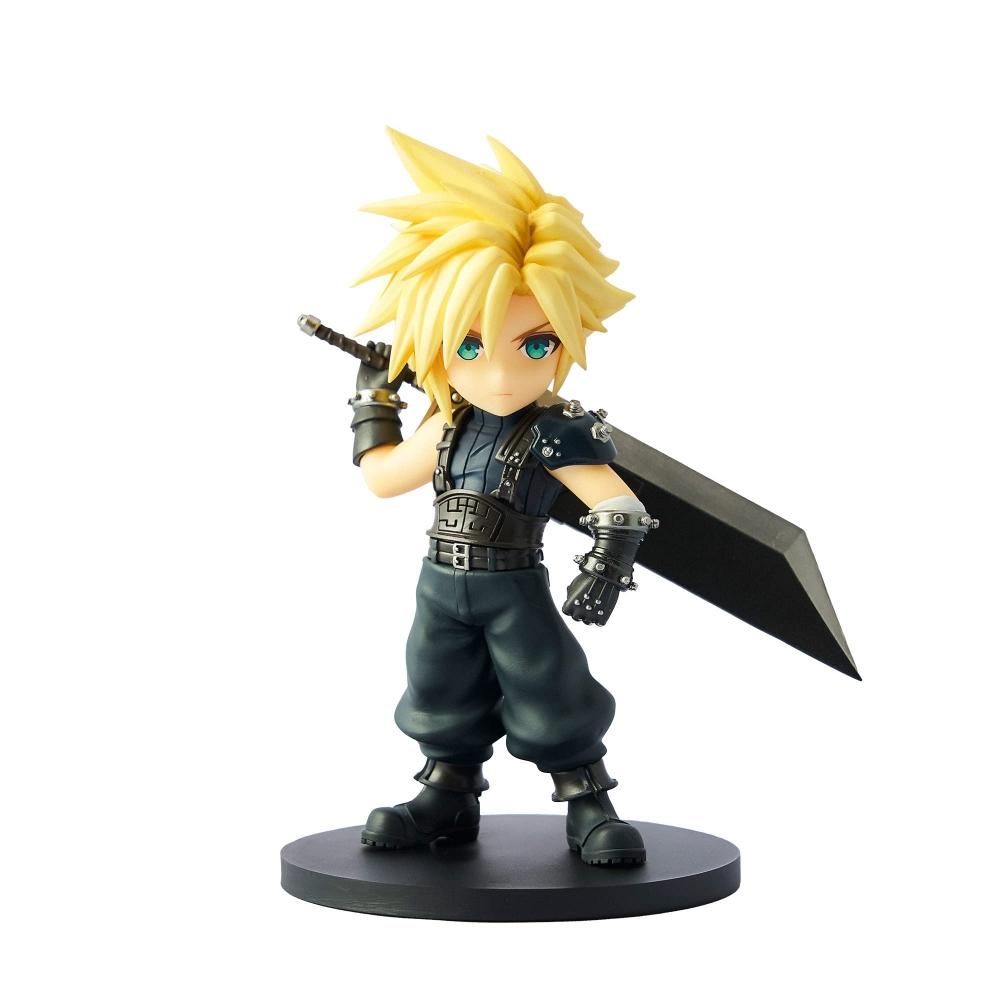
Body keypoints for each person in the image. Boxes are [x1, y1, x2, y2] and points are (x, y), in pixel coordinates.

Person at [344, 130, 657, 865]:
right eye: (469, 345)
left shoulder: (556, 430)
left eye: (536, 344)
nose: (501, 376)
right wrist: (374, 400)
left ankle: (587, 799)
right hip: (440, 582)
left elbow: (619, 508)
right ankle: (447, 793)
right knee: (437, 686)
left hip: (512, 583)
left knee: (549, 688)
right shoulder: (447, 425)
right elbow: (382, 477)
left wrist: (603, 570)